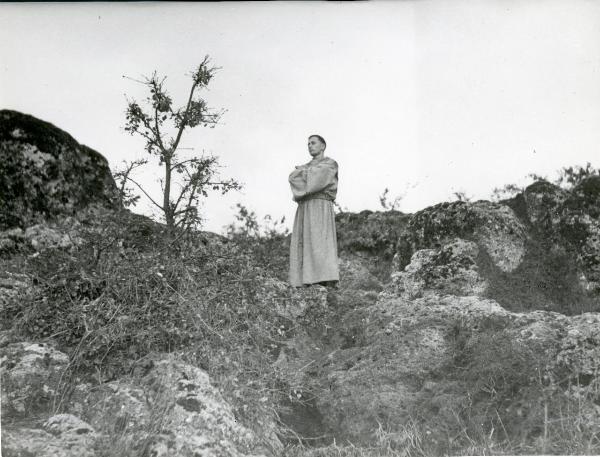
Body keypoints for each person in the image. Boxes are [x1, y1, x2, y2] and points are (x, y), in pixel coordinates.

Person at [288, 134, 340, 289]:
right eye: (308, 144)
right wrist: (308, 174)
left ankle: (325, 279)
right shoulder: (307, 166)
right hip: (305, 207)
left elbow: (320, 177)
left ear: (323, 146)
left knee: (320, 242)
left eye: (313, 143)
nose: (310, 146)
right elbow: (292, 178)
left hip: (321, 206)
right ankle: (305, 279)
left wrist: (304, 173)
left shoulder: (330, 163)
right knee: (306, 241)